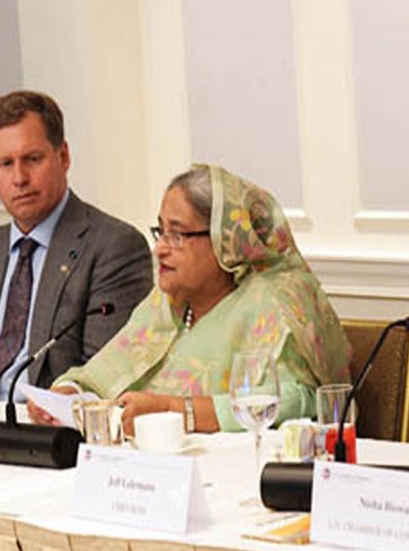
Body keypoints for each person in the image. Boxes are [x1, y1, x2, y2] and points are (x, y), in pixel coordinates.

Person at [29, 164, 351, 434]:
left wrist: (178, 411)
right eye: (161, 231)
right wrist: (66, 395)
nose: (160, 249)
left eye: (177, 234)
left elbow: (305, 400)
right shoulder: (166, 303)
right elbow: (99, 378)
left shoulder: (272, 303)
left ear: (224, 241)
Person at [0, 90, 152, 399]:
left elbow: (102, 378)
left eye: (32, 159)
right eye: (5, 163)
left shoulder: (114, 247)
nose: (19, 178)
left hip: (47, 431)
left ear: (64, 156)